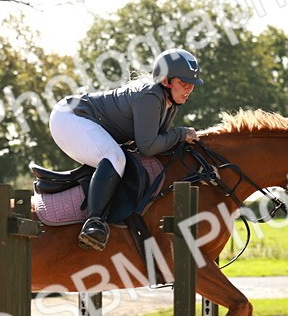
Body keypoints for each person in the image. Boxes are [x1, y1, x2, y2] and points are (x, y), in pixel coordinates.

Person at [49, 48, 203, 251]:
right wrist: (181, 134)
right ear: (166, 81)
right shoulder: (151, 95)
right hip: (69, 117)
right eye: (183, 83)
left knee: (120, 157)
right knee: (114, 157)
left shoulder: (170, 103)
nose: (188, 89)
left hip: (81, 118)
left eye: (191, 84)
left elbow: (157, 143)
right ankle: (94, 223)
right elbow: (148, 146)